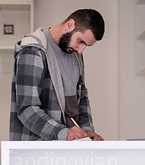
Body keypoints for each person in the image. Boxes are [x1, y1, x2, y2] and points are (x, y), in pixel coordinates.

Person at [10, 9, 105, 141]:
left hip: (67, 151)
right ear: (70, 24)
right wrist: (63, 133)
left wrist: (86, 130)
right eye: (81, 41)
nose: (80, 50)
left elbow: (81, 96)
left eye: (86, 46)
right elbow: (27, 109)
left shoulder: (75, 54)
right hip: (36, 152)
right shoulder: (33, 50)